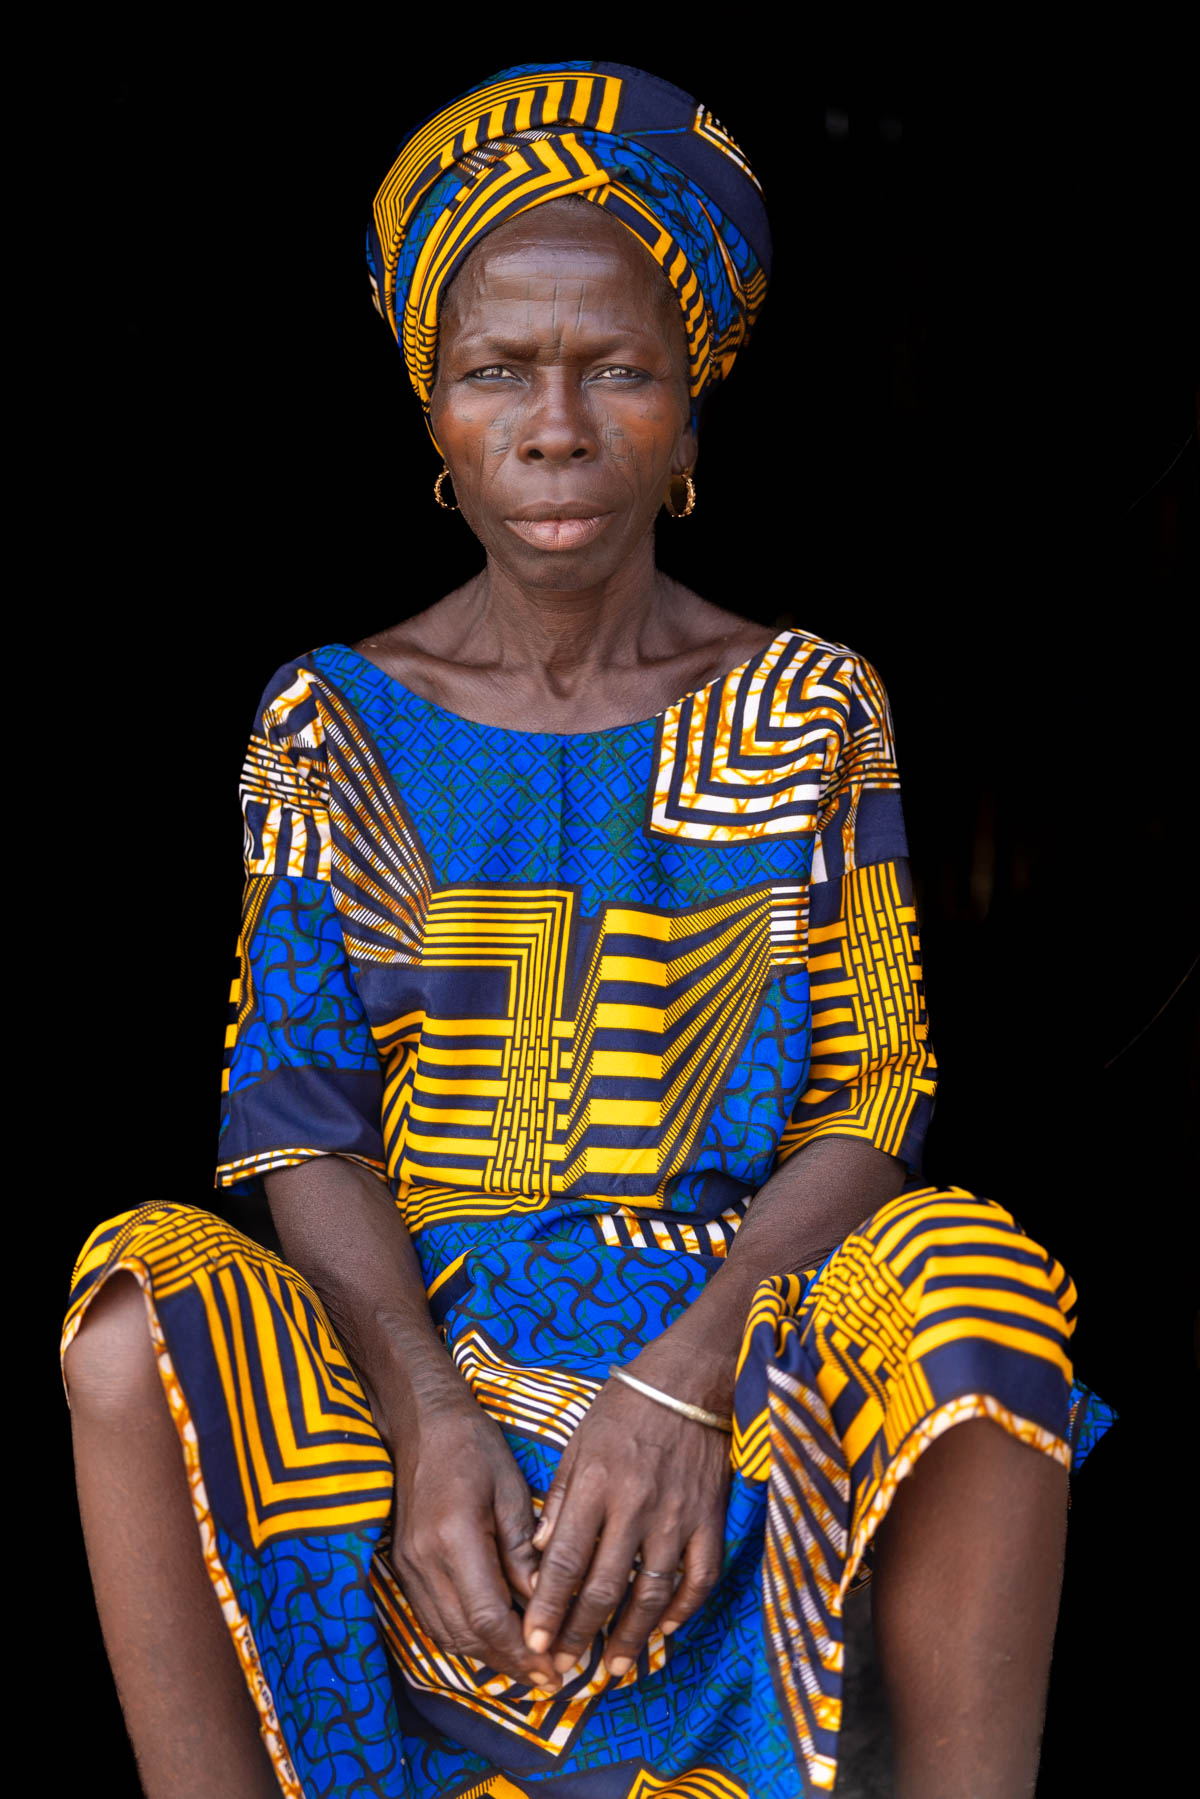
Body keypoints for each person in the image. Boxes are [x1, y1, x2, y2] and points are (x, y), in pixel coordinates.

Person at [61, 61, 1114, 1799]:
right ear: (437, 415)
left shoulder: (807, 707)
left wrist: (688, 1381)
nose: (556, 425)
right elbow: (296, 1111)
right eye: (498, 373)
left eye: (617, 369)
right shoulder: (332, 721)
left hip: (739, 1319)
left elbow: (877, 1088)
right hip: (415, 1328)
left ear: (691, 411)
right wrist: (427, 1415)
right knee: (125, 1315)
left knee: (978, 1283)